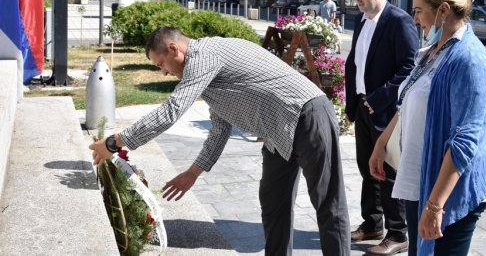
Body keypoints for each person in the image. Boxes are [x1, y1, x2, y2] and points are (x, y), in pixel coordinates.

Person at [89, 27, 351, 256]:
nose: (164, 73)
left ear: (174, 48)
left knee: (328, 203)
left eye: (161, 64)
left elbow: (172, 110)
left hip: (307, 114)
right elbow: (220, 128)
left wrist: (115, 142)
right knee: (274, 204)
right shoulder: (207, 73)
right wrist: (193, 172)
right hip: (278, 132)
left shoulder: (204, 56)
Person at [369, 0, 486, 256]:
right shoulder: (432, 50)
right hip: (421, 179)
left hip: (450, 190)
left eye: (418, 10)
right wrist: (382, 142)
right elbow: (407, 101)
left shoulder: (470, 59)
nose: (415, 19)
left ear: (443, 10)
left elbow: (466, 139)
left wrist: (435, 205)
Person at [344, 0, 419, 255]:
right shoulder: (361, 20)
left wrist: (379, 98)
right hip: (363, 107)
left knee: (386, 172)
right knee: (367, 168)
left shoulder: (398, 21)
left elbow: (409, 68)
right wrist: (353, 105)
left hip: (385, 111)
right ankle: (373, 223)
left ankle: (398, 233)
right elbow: (355, 64)